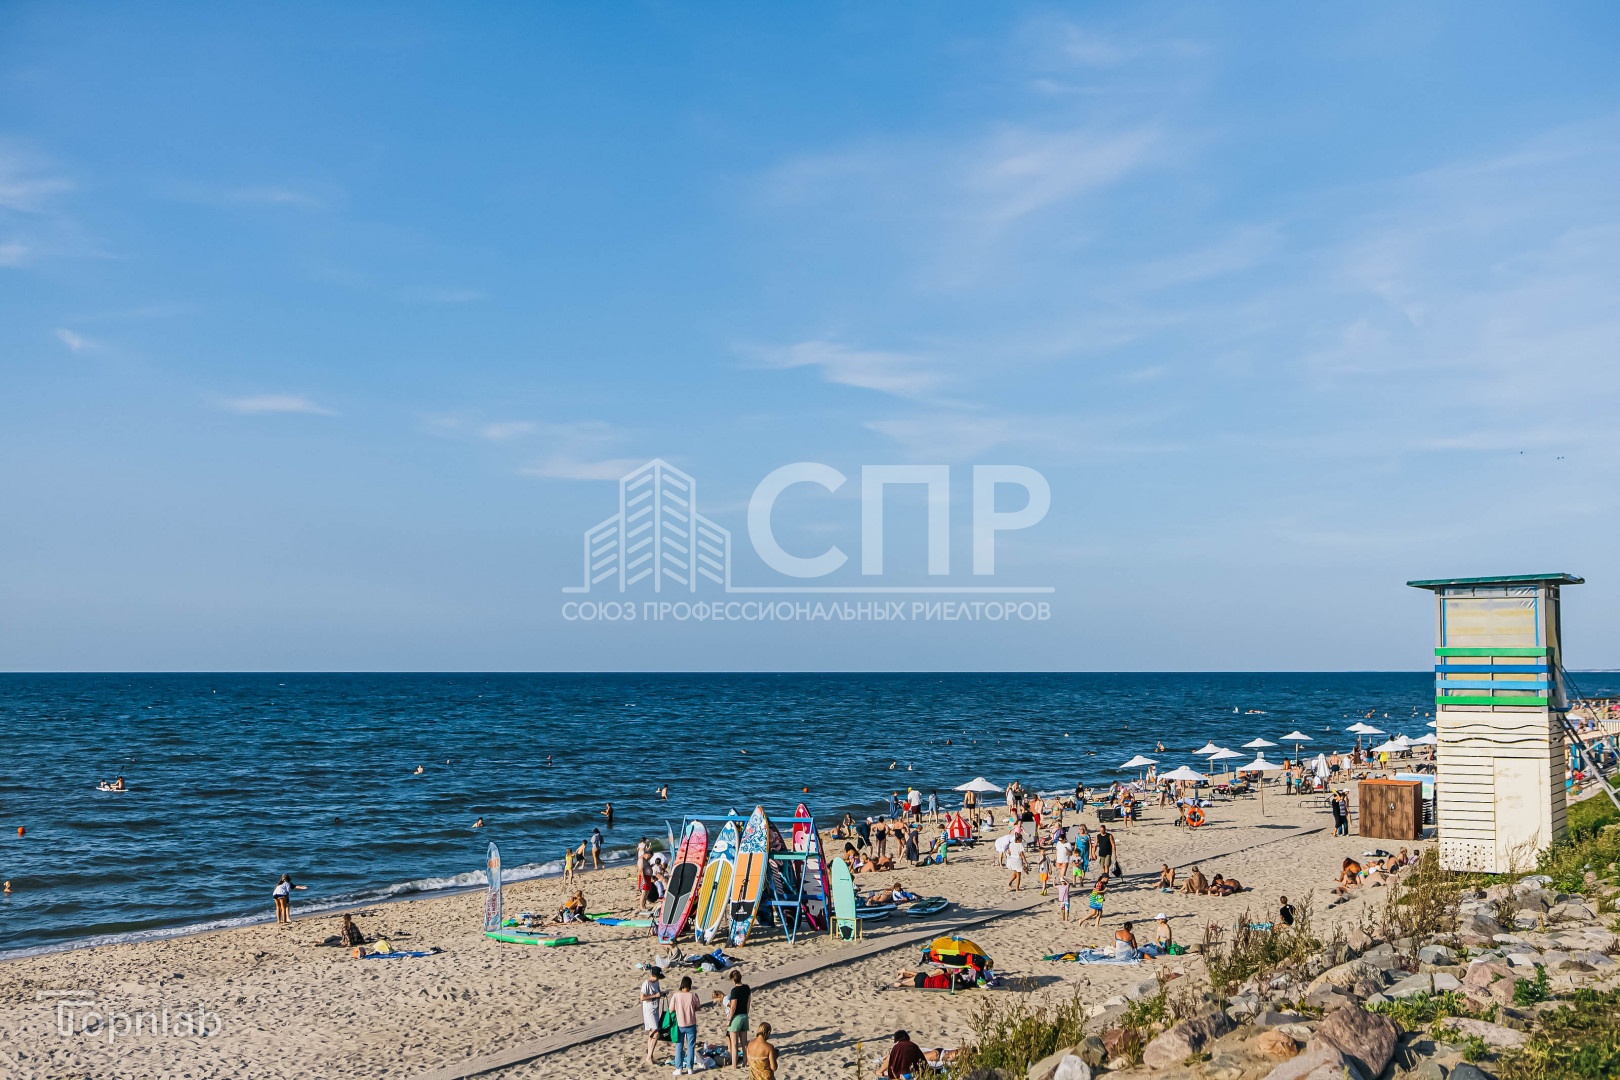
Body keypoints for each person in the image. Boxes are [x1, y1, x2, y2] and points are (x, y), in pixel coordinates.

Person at [669, 975, 701, 1075]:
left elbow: (671, 1010)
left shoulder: (676, 996)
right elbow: (698, 1007)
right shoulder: (693, 995)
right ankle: (690, 1068)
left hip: (680, 1024)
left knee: (679, 1046)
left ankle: (678, 1068)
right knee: (691, 1046)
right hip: (691, 1023)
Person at [725, 969, 751, 1067]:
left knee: (734, 1044)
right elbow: (748, 1002)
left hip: (736, 1017)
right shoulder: (747, 988)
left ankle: (734, 1065)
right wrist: (746, 1013)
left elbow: (733, 1007)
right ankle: (745, 1062)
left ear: (732, 980)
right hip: (744, 1016)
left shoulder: (734, 991)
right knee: (744, 1043)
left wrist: (729, 1019)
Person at [641, 967, 665, 1067]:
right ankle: (649, 1056)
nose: (658, 979)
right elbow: (642, 997)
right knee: (656, 1033)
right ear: (653, 975)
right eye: (657, 977)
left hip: (655, 1010)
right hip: (649, 1011)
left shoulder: (656, 982)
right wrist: (655, 996)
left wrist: (662, 994)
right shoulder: (646, 984)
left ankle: (650, 1056)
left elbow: (657, 993)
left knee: (652, 1032)